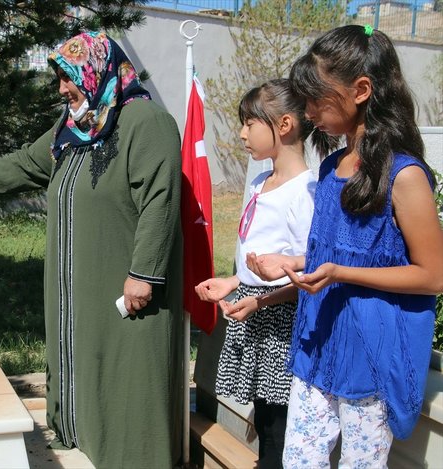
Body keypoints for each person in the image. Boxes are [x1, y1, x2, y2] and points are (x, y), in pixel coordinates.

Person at [0, 31, 184, 468]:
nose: (63, 89)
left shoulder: (146, 123)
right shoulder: (76, 128)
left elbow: (160, 200)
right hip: (79, 282)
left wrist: (144, 273)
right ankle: (84, 434)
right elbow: (27, 163)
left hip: (125, 283)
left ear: (98, 71)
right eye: (60, 79)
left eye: (69, 78)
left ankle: (132, 456)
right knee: (82, 356)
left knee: (126, 370)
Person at [259, 25, 443, 468]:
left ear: (361, 90)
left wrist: (340, 273)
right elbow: (338, 254)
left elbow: (433, 275)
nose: (307, 111)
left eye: (315, 97)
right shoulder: (328, 170)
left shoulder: (405, 176)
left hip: (371, 362)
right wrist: (296, 264)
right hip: (316, 348)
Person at [194, 78, 332, 468]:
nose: (241, 134)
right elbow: (260, 261)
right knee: (265, 418)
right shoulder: (259, 183)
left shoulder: (305, 191)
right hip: (254, 315)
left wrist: (259, 300)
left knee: (279, 429)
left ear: (284, 125)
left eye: (250, 123)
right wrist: (235, 282)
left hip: (281, 326)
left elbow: (309, 277)